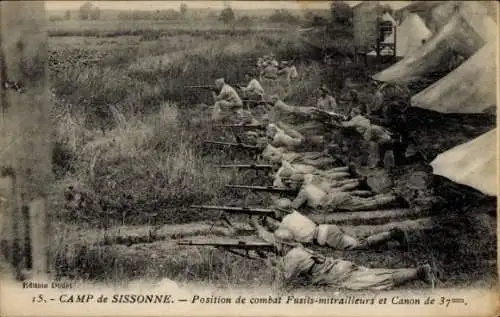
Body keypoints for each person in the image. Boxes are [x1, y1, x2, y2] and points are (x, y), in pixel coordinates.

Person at [249, 217, 438, 290]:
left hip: (338, 273)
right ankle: (418, 270)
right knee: (377, 271)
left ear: (282, 245)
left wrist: (268, 262)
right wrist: (258, 228)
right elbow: (277, 243)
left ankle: (419, 272)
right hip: (338, 264)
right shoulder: (296, 247)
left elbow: (282, 281)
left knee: (379, 279)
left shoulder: (293, 256)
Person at [250, 209, 408, 251]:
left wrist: (261, 226)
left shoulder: (284, 225)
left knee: (359, 245)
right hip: (327, 228)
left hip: (326, 236)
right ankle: (386, 238)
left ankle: (392, 234)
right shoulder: (294, 214)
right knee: (358, 236)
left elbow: (279, 234)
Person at [287, 173, 401, 211]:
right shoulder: (309, 186)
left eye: (292, 183)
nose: (291, 185)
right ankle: (390, 195)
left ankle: (394, 198)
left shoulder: (303, 192)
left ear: (297, 183)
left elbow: (293, 207)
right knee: (367, 201)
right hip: (336, 197)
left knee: (367, 204)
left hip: (336, 201)